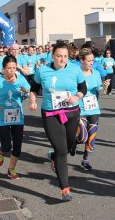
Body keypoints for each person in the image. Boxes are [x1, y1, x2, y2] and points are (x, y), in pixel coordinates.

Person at [31, 42, 87, 201]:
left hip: (72, 113)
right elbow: (34, 88)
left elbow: (83, 88)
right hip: (50, 114)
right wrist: (33, 100)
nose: (63, 59)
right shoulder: (42, 70)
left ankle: (54, 156)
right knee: (62, 151)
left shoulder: (75, 69)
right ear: (52, 56)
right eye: (59, 56)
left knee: (68, 147)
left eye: (65, 56)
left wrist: (76, 97)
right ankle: (65, 189)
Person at [0, 55, 33, 180]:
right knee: (7, 146)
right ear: (3, 69)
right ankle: (1, 152)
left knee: (17, 147)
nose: (11, 70)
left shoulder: (21, 80)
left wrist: (26, 92)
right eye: (8, 68)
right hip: (2, 118)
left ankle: (11, 169)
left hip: (18, 117)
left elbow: (29, 93)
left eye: (13, 68)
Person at [76, 48, 102, 171]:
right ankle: (73, 144)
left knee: (92, 136)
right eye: (89, 60)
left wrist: (105, 88)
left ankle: (85, 159)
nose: (91, 63)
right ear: (82, 60)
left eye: (92, 60)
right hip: (79, 108)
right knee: (82, 137)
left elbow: (99, 90)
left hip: (93, 108)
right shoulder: (76, 73)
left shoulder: (96, 73)